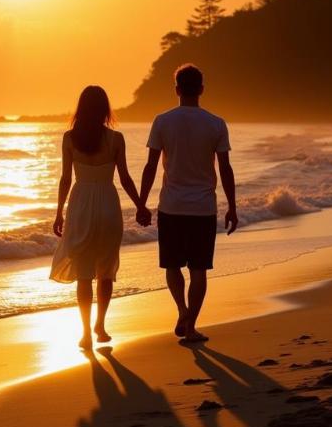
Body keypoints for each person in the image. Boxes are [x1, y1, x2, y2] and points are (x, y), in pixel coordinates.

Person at [138, 64, 237, 344]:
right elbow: (226, 169)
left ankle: (182, 310)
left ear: (177, 89)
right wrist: (232, 206)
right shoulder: (216, 123)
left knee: (172, 266)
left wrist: (142, 203)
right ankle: (190, 326)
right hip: (203, 208)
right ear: (202, 90)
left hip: (171, 206)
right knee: (198, 270)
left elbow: (150, 166)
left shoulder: (162, 121)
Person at [50, 85, 147, 349]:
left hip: (80, 206)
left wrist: (59, 212)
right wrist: (140, 205)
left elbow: (66, 179)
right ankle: (101, 326)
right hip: (107, 205)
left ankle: (84, 333)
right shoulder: (116, 139)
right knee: (105, 270)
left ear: (80, 109)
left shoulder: (70, 138)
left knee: (83, 273)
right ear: (105, 109)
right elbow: (125, 178)